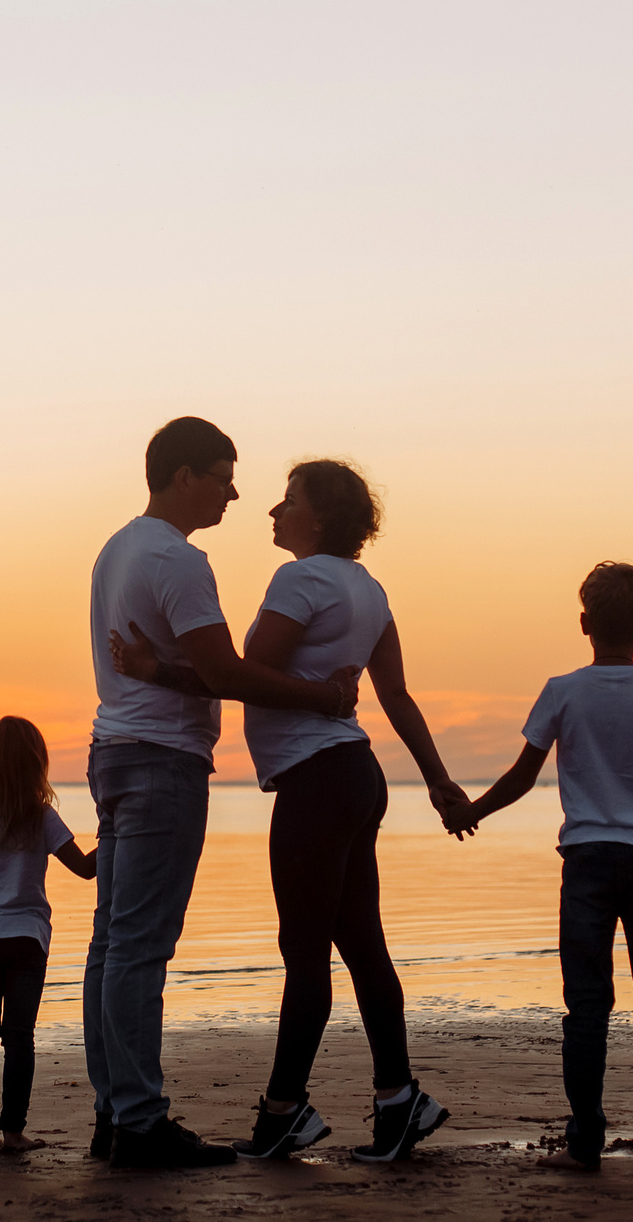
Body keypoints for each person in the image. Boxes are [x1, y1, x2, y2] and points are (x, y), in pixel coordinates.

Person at [114, 459, 466, 1162]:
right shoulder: (368, 587)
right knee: (362, 945)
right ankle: (397, 1100)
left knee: (305, 954)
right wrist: (438, 781)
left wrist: (158, 672)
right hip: (357, 776)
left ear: (322, 517)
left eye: (289, 500)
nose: (273, 510)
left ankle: (283, 1111)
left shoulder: (300, 579)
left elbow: (241, 676)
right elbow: (396, 696)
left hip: (316, 777)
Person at [82, 417, 362, 1171]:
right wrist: (325, 698)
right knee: (139, 945)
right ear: (183, 477)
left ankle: (115, 1110)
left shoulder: (117, 549)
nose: (235, 491)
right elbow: (228, 674)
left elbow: (199, 670)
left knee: (112, 941)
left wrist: (156, 673)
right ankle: (139, 1120)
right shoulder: (178, 559)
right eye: (222, 474)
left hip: (111, 752)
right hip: (160, 761)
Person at [450, 562, 633, 1176]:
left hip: (589, 860)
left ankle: (584, 1143)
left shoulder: (562, 690)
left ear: (583, 624)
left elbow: (524, 776)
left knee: (587, 1006)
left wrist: (474, 810)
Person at [0, 716, 97, 1157]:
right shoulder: (43, 818)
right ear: (37, 764)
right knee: (19, 1038)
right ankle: (12, 1132)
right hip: (27, 939)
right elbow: (86, 869)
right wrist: (117, 828)